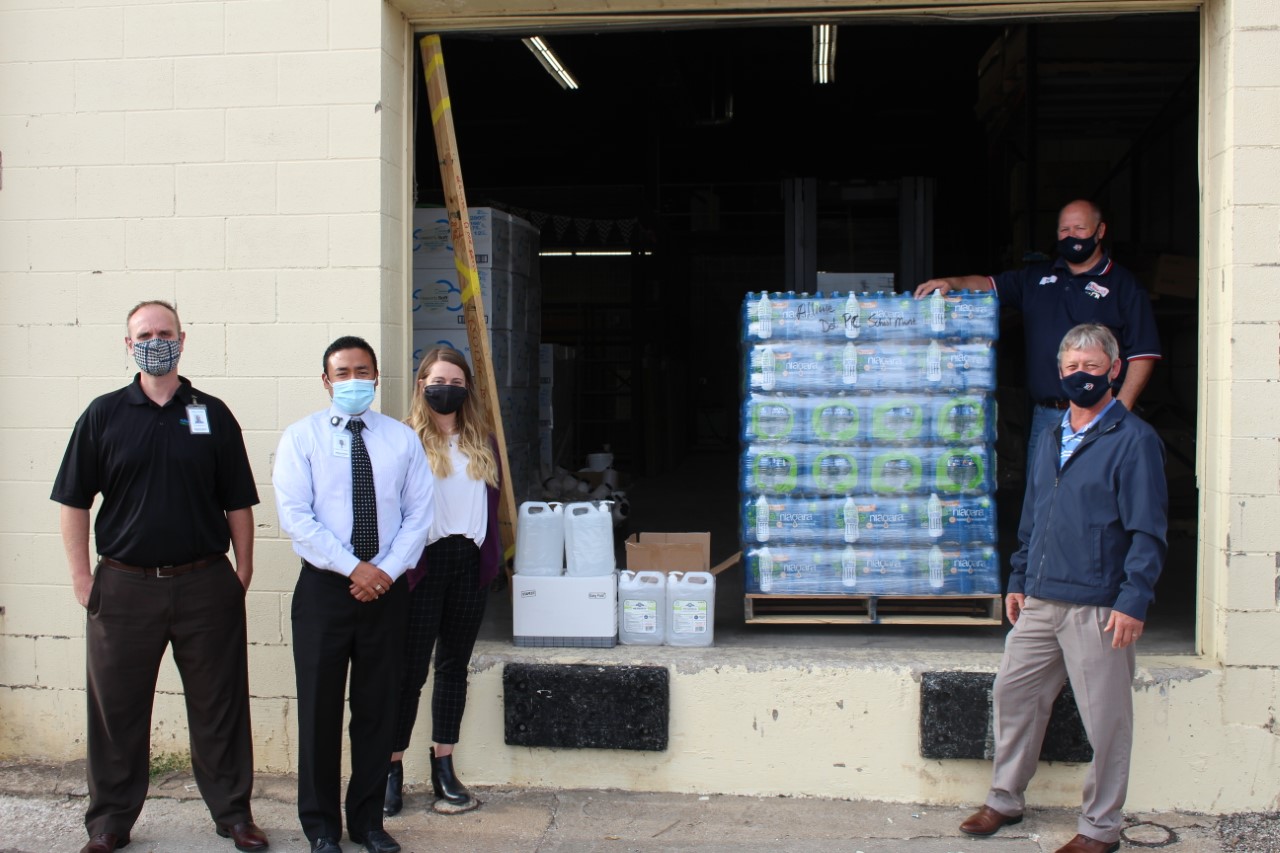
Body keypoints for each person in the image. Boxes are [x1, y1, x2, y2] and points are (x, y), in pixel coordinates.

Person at [51, 300, 268, 853]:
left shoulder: (212, 413)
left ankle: (233, 814)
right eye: (144, 334)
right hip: (123, 587)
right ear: (129, 345)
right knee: (116, 710)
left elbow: (238, 500)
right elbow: (73, 501)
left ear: (182, 338)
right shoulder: (103, 415)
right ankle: (109, 822)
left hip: (205, 583)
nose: (155, 340)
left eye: (164, 332)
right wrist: (83, 579)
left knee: (219, 705)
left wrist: (241, 571)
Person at [957, 323, 1167, 853]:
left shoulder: (1134, 440)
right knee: (1014, 694)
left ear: (1114, 370)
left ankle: (1101, 829)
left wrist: (1133, 598)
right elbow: (1035, 514)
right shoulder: (1050, 435)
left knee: (1107, 722)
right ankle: (1005, 799)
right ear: (1059, 371)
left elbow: (1148, 530)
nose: (1081, 376)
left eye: (1092, 367)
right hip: (1043, 598)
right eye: (1072, 367)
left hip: (1098, 605)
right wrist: (1020, 576)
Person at [273, 336, 434, 853]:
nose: (352, 381)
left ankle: (367, 823)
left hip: (386, 593)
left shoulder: (401, 440)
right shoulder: (302, 438)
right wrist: (354, 568)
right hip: (325, 590)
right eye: (341, 373)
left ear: (377, 376)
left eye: (361, 371)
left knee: (376, 710)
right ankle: (320, 828)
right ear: (326, 381)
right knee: (319, 712)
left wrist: (382, 571)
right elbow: (297, 517)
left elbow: (419, 515)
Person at [913, 199, 1162, 468]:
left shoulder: (1124, 286)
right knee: (1043, 501)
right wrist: (952, 282)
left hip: (1097, 413)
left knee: (1094, 499)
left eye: (1080, 228)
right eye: (1064, 229)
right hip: (1047, 416)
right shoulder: (1035, 278)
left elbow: (1143, 355)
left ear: (1100, 231)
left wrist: (1119, 411)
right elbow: (988, 284)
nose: (1071, 235)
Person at [384, 346, 503, 817]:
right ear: (421, 384)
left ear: (467, 388)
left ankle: (443, 766)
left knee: (453, 668)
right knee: (408, 672)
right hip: (423, 566)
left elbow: (491, 512)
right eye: (438, 380)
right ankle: (390, 768)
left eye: (456, 381)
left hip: (469, 564)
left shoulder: (482, 441)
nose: (446, 388)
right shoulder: (403, 440)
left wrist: (492, 563)